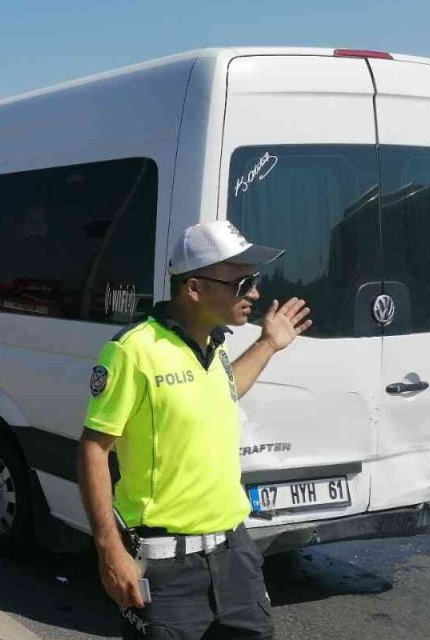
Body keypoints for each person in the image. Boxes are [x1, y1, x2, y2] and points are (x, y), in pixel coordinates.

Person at [77, 220, 312, 639]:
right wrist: (109, 549)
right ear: (194, 289)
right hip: (166, 569)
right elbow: (95, 448)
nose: (255, 294)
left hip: (235, 556)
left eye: (254, 281)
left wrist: (268, 344)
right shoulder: (133, 351)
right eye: (242, 284)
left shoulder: (214, 345)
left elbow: (223, 390)